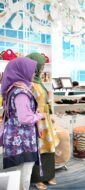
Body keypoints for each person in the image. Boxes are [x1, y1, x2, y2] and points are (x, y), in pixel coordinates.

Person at [1, 57, 44, 190]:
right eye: (31, 70)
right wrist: (40, 115)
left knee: (16, 175)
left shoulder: (13, 89)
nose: (33, 74)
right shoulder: (21, 92)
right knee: (23, 174)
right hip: (22, 140)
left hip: (15, 138)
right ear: (22, 71)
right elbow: (25, 118)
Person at [26, 53, 59, 190]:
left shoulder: (39, 81)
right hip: (37, 121)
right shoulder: (29, 83)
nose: (43, 68)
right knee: (38, 149)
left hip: (45, 120)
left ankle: (49, 174)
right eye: (42, 65)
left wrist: (49, 114)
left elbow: (44, 100)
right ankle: (37, 178)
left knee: (49, 147)